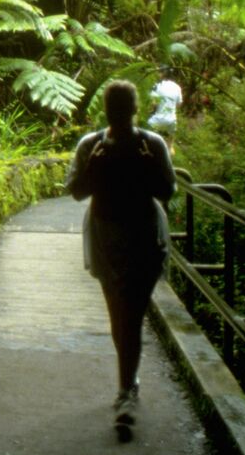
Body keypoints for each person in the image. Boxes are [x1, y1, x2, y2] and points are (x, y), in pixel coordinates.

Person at [67, 80, 175, 434]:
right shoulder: (91, 146)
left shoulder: (151, 144)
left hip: (144, 237)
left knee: (130, 313)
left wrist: (145, 170)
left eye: (121, 108)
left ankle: (126, 391)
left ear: (132, 110)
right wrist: (94, 168)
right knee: (120, 315)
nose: (119, 114)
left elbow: (167, 189)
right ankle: (129, 381)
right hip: (105, 238)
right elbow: (76, 192)